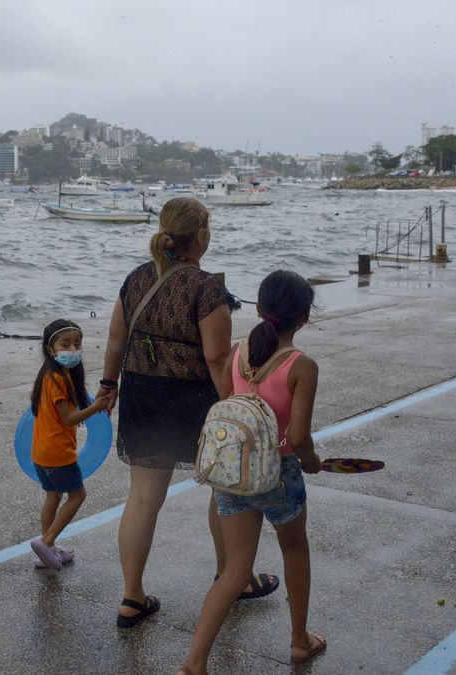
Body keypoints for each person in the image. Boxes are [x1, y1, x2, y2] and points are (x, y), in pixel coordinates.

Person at [99, 197, 277, 630]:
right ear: (200, 236)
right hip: (195, 400)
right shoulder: (206, 288)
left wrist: (108, 385)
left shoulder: (135, 280)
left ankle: (132, 597)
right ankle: (231, 578)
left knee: (142, 498)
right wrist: (239, 408)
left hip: (143, 395)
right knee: (225, 490)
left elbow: (116, 340)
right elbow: (217, 359)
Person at [180, 270, 325, 672]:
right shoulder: (302, 366)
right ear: (304, 317)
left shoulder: (239, 351)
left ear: (259, 309)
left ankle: (193, 663)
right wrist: (313, 464)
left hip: (233, 472)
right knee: (294, 549)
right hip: (279, 473)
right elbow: (297, 437)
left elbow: (230, 404)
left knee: (233, 571)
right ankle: (299, 641)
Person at [28, 319, 109, 570]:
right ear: (50, 349)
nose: (73, 349)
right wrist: (96, 407)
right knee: (77, 495)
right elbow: (68, 418)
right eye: (66, 344)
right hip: (58, 453)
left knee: (53, 495)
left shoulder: (48, 376)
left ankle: (47, 551)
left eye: (77, 343)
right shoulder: (58, 379)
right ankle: (47, 540)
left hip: (40, 452)